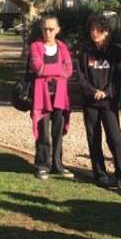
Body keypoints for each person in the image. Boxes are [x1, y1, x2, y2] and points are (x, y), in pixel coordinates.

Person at [76, 15, 121, 188]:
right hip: (90, 102)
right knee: (94, 138)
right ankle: (100, 174)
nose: (94, 33)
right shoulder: (85, 52)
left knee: (115, 139)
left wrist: (106, 92)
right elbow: (81, 76)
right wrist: (93, 92)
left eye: (98, 30)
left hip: (108, 103)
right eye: (92, 30)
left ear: (106, 32)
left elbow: (120, 77)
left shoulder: (115, 52)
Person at [29, 16, 74, 180]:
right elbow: (38, 69)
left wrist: (50, 69)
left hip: (60, 96)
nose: (47, 32)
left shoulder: (63, 48)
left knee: (58, 131)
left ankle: (57, 164)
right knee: (43, 132)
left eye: (51, 29)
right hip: (42, 96)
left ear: (57, 30)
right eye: (44, 29)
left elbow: (69, 70)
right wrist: (58, 70)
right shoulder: (35, 46)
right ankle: (42, 164)